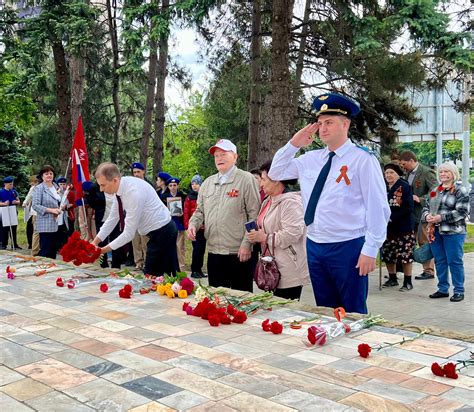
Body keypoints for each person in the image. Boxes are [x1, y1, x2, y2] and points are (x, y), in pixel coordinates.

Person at [269, 92, 390, 314]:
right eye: (320, 123)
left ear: (345, 124)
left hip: (348, 245)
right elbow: (276, 172)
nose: (323, 128)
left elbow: (378, 206)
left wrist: (371, 249)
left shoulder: (362, 159)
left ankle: (355, 348)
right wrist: (294, 144)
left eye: (329, 122)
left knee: (353, 312)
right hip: (315, 244)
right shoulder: (311, 159)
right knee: (325, 310)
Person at [187, 139, 261, 292]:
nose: (219, 158)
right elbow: (199, 211)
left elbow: (254, 215)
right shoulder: (207, 183)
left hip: (239, 253)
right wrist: (192, 225)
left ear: (235, 157)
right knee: (217, 300)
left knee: (240, 302)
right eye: (216, 156)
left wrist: (247, 244)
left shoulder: (246, 180)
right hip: (214, 252)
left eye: (223, 154)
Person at [92, 162, 178, 276]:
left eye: (103, 185)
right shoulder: (120, 189)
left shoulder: (133, 193)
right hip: (156, 232)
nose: (101, 189)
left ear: (115, 180)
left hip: (163, 232)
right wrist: (95, 242)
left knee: (153, 277)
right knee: (158, 279)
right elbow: (112, 218)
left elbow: (128, 234)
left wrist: (102, 251)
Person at [247, 161, 309, 300]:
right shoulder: (268, 201)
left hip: (288, 270)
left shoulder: (291, 203)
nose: (261, 184)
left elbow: (292, 234)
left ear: (276, 180)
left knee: (286, 313)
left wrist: (264, 237)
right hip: (271, 268)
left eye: (263, 179)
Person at [422, 163, 469, 302]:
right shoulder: (434, 190)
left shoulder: (461, 190)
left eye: (446, 171)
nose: (443, 174)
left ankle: (459, 290)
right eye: (441, 172)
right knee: (440, 261)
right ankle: (443, 289)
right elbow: (426, 206)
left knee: (454, 261)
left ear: (453, 173)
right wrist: (427, 216)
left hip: (454, 232)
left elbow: (462, 212)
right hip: (434, 232)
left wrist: (441, 217)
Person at [399, 151, 438, 280]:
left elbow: (436, 191)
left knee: (424, 241)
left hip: (423, 213)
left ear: (411, 160)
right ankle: (403, 268)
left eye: (404, 164)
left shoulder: (426, 172)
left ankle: (428, 271)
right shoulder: (408, 173)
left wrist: (420, 199)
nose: (403, 167)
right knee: (409, 241)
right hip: (410, 214)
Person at [381, 163, 415, 291]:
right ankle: (392, 278)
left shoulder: (404, 186)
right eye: (386, 173)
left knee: (405, 255)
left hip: (403, 226)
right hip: (387, 228)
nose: (388, 175)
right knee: (388, 253)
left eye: (391, 173)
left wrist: (391, 217)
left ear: (397, 174)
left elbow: (408, 208)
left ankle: (407, 281)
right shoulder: (382, 186)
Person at [32, 165, 66, 258]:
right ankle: (43, 269)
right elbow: (35, 205)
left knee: (53, 251)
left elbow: (58, 201)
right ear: (42, 176)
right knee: (46, 251)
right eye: (46, 174)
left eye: (51, 173)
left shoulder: (56, 186)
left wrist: (61, 207)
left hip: (57, 222)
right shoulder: (39, 188)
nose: (49, 175)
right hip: (45, 223)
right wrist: (51, 210)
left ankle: (52, 270)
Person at [184, 174, 207, 279]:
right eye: (193, 183)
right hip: (194, 228)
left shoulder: (204, 196)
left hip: (204, 228)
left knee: (202, 249)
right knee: (196, 249)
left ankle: (199, 270)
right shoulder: (189, 197)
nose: (194, 186)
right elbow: (186, 212)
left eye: (197, 183)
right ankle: (194, 270)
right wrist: (187, 226)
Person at [130, 162, 150, 271]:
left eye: (138, 172)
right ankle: (138, 262)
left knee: (145, 241)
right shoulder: (131, 186)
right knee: (135, 241)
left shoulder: (148, 185)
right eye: (134, 172)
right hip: (133, 217)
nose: (136, 174)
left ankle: (148, 262)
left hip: (145, 218)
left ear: (143, 172)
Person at [163, 177, 187, 270]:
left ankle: (181, 266)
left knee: (180, 246)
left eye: (174, 185)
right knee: (168, 246)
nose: (173, 187)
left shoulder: (183, 196)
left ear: (178, 186)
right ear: (168, 187)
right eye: (170, 185)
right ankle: (169, 265)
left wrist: (182, 213)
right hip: (168, 225)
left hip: (179, 224)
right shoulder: (164, 197)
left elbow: (186, 209)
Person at [0, 176, 21, 249]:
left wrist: (16, 202)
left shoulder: (14, 192)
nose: (12, 186)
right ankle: (3, 244)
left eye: (12, 184)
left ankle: (14, 244)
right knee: (4, 228)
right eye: (10, 184)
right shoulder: (1, 192)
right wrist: (4, 204)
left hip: (13, 211)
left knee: (14, 227)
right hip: (4, 211)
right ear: (5, 184)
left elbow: (19, 201)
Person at [22, 175, 39, 250]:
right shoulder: (33, 188)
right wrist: (24, 203)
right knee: (33, 229)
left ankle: (36, 245)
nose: (31, 184)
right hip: (34, 212)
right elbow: (29, 196)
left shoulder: (40, 187)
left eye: (32, 183)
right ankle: (32, 245)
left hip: (39, 211)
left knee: (36, 230)